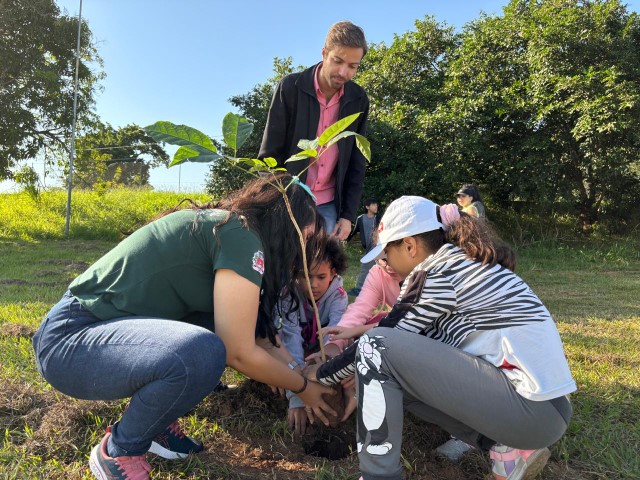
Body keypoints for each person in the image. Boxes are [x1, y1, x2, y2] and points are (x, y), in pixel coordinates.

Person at [32, 174, 337, 480]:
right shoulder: (240, 235)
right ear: (285, 224)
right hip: (70, 342)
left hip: (105, 335)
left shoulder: (231, 228)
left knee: (211, 330)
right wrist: (303, 388)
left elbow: (261, 337)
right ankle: (119, 450)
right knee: (204, 350)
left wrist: (300, 371)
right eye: (305, 236)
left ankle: (156, 425)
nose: (303, 247)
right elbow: (239, 352)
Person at [308, 196, 576, 480]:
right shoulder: (464, 263)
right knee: (400, 378)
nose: (386, 264)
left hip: (530, 408)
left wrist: (320, 374)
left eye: (386, 254)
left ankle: (378, 476)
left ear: (410, 246)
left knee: (376, 344)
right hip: (542, 408)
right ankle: (508, 449)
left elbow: (383, 338)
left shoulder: (435, 273)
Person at [259, 20, 369, 239]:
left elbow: (357, 161)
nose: (343, 72)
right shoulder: (290, 88)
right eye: (337, 61)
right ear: (324, 53)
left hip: (328, 205)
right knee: (282, 270)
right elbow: (269, 155)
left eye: (352, 66)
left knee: (321, 270)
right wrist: (285, 204)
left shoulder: (358, 99)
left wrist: (347, 215)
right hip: (288, 201)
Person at [275, 233, 348, 435]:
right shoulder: (289, 294)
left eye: (321, 277)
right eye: (304, 276)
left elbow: (333, 339)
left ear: (333, 272)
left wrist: (319, 375)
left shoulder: (339, 297)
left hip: (320, 354)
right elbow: (291, 339)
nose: (313, 284)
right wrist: (297, 394)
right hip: (297, 352)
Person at [347, 197, 381, 296]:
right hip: (368, 247)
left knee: (365, 266)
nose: (376, 206)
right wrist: (347, 239)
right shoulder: (360, 218)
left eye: (376, 205)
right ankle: (375, 290)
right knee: (377, 268)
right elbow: (354, 231)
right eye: (373, 204)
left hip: (377, 246)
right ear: (367, 206)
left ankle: (359, 289)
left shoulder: (378, 218)